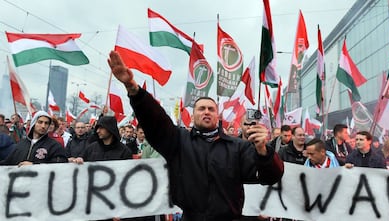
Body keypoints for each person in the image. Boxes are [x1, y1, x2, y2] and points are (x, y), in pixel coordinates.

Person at [107, 50, 284, 221]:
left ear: (217, 116)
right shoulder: (178, 141)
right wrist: (133, 89)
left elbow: (270, 177)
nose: (206, 112)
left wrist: (263, 151)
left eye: (211, 109)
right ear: (193, 116)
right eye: (201, 108)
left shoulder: (238, 147)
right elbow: (156, 121)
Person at [0, 111, 68, 166]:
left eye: (46, 123)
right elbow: (8, 163)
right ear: (33, 123)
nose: (43, 126)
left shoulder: (54, 146)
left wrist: (34, 165)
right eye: (40, 122)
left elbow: (60, 165)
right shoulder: (21, 145)